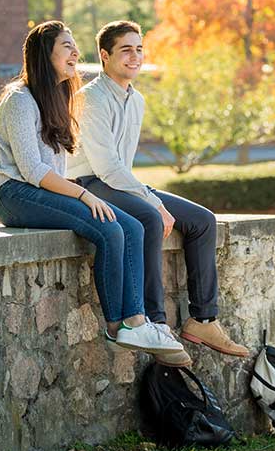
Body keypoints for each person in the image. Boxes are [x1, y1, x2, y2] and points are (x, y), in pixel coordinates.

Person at [0, 20, 184, 357]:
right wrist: (80, 194)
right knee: (108, 228)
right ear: (43, 55)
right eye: (67, 46)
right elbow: (32, 170)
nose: (76, 52)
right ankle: (118, 326)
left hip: (41, 195)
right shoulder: (18, 99)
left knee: (133, 227)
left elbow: (56, 167)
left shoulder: (57, 98)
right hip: (16, 193)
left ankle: (136, 320)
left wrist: (59, 202)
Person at [67, 20, 249, 368]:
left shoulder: (136, 101)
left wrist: (147, 195)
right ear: (104, 56)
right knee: (150, 217)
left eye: (139, 48)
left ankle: (204, 320)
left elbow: (123, 169)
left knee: (201, 221)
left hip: (118, 182)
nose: (134, 56)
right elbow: (105, 168)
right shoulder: (88, 100)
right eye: (125, 49)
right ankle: (155, 321)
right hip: (87, 184)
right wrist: (151, 201)